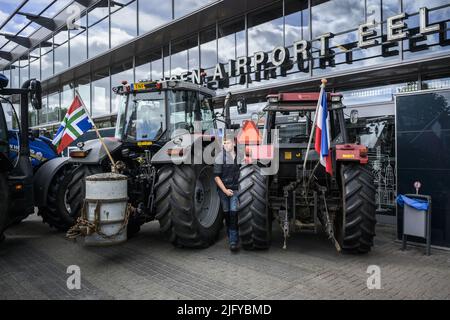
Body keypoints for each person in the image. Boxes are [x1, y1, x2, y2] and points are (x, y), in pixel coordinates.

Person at [214, 136, 240, 252]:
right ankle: (232, 237)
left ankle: (233, 241)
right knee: (227, 215)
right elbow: (216, 177)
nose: (225, 145)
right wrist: (225, 190)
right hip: (223, 191)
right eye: (224, 143)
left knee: (234, 214)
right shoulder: (220, 157)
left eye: (228, 143)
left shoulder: (240, 156)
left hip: (235, 190)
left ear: (234, 143)